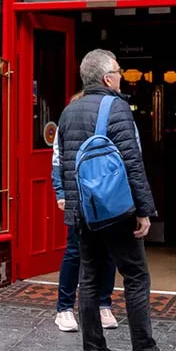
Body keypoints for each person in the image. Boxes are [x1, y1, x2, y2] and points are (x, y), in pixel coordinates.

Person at [56, 49, 176, 351]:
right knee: (136, 277)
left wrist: (72, 208)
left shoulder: (69, 112)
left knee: (89, 278)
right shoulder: (116, 106)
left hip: (84, 212)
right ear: (106, 77)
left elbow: (67, 166)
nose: (121, 75)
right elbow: (132, 162)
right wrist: (144, 211)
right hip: (116, 210)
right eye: (118, 70)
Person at [51, 92, 117, 333]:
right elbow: (58, 160)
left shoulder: (103, 121)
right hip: (77, 198)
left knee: (107, 251)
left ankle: (103, 304)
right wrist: (60, 192)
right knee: (74, 251)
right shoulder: (66, 121)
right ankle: (64, 308)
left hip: (102, 196)